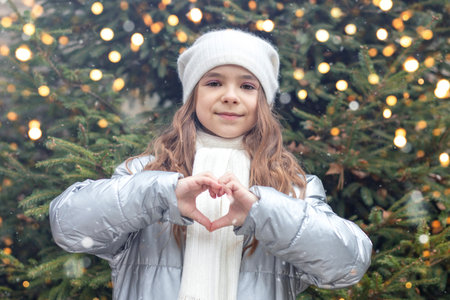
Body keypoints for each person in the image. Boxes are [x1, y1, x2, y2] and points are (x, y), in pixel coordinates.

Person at [49, 29, 372, 300]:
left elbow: (348, 265)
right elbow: (68, 226)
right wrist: (161, 195)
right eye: (214, 82)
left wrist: (265, 213)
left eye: (247, 86)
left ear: (264, 101)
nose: (230, 96)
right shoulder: (145, 173)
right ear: (193, 97)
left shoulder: (293, 187)